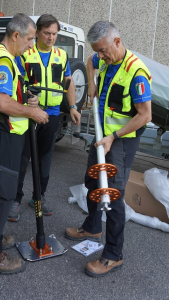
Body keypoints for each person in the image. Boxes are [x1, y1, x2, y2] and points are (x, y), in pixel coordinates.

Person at [65, 21, 152, 277]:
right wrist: (91, 82)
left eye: (103, 50)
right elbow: (91, 61)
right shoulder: (103, 59)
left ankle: (114, 254)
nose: (100, 56)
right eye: (98, 52)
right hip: (103, 137)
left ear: (117, 41)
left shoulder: (136, 73)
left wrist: (113, 136)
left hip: (120, 140)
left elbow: (144, 115)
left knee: (111, 194)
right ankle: (92, 226)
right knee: (93, 181)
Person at [0, 13, 49, 275]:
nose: (32, 45)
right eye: (29, 39)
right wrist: (32, 113)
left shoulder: (4, 56)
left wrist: (26, 99)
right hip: (3, 133)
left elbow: (9, 95)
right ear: (15, 35)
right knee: (4, 192)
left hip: (1, 132)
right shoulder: (3, 60)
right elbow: (1, 103)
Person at [7, 14, 81, 222]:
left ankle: (38, 197)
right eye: (47, 33)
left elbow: (69, 83)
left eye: (54, 34)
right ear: (37, 32)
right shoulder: (25, 53)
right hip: (29, 114)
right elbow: (17, 83)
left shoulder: (61, 55)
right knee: (23, 157)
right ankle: (15, 199)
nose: (51, 37)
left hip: (53, 113)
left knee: (45, 157)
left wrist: (73, 107)